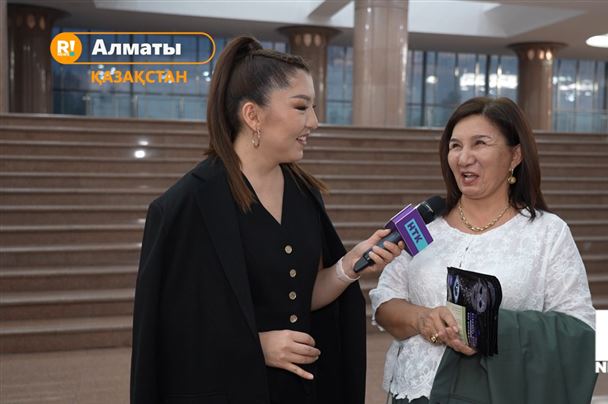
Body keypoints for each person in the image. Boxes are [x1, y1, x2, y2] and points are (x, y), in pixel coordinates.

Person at [130, 36, 403, 404]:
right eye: (301, 107)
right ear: (252, 115)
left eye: (314, 108)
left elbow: (300, 296)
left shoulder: (304, 194)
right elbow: (169, 332)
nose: (314, 122)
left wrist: (348, 266)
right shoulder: (186, 206)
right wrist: (255, 347)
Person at [370, 97, 597, 403]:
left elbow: (580, 327)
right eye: (455, 146)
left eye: (480, 143)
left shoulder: (546, 232)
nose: (464, 158)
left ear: (515, 155)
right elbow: (385, 302)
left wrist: (492, 328)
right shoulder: (426, 228)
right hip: (414, 395)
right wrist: (422, 318)